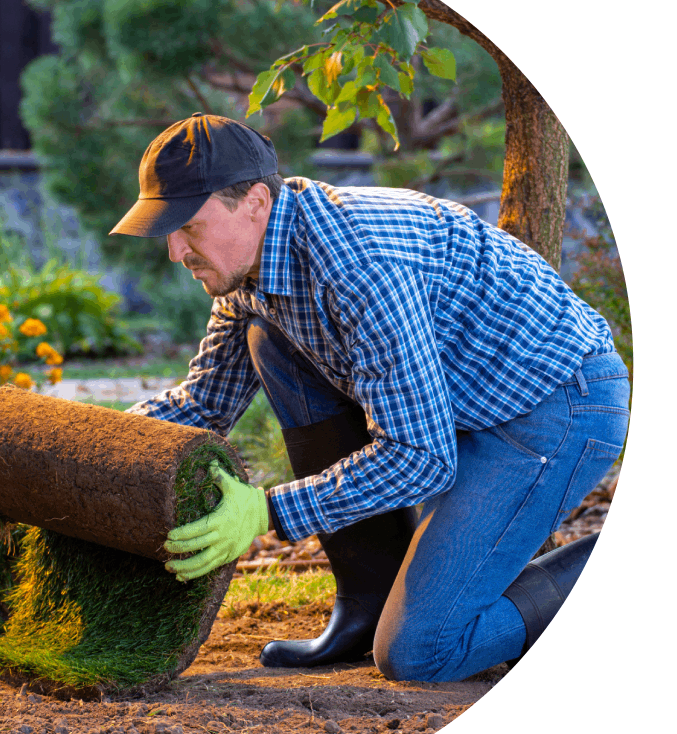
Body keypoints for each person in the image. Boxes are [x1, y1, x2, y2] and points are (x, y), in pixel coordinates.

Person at [110, 112, 630, 682]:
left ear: (255, 202)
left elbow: (420, 457)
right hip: (457, 411)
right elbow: (202, 404)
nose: (174, 250)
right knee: (270, 340)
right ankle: (367, 602)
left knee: (420, 653)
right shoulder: (246, 271)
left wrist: (266, 510)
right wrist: (88, 447)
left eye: (187, 225)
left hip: (552, 408)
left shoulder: (359, 264)